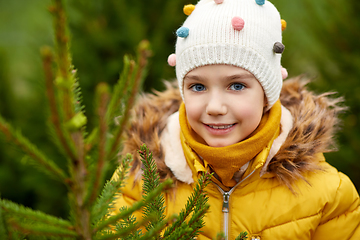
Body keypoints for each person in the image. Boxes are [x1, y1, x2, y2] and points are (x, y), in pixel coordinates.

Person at [110, 0, 360, 239]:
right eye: (198, 87)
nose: (215, 107)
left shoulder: (328, 194)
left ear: (267, 95)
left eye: (237, 85)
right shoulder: (139, 180)